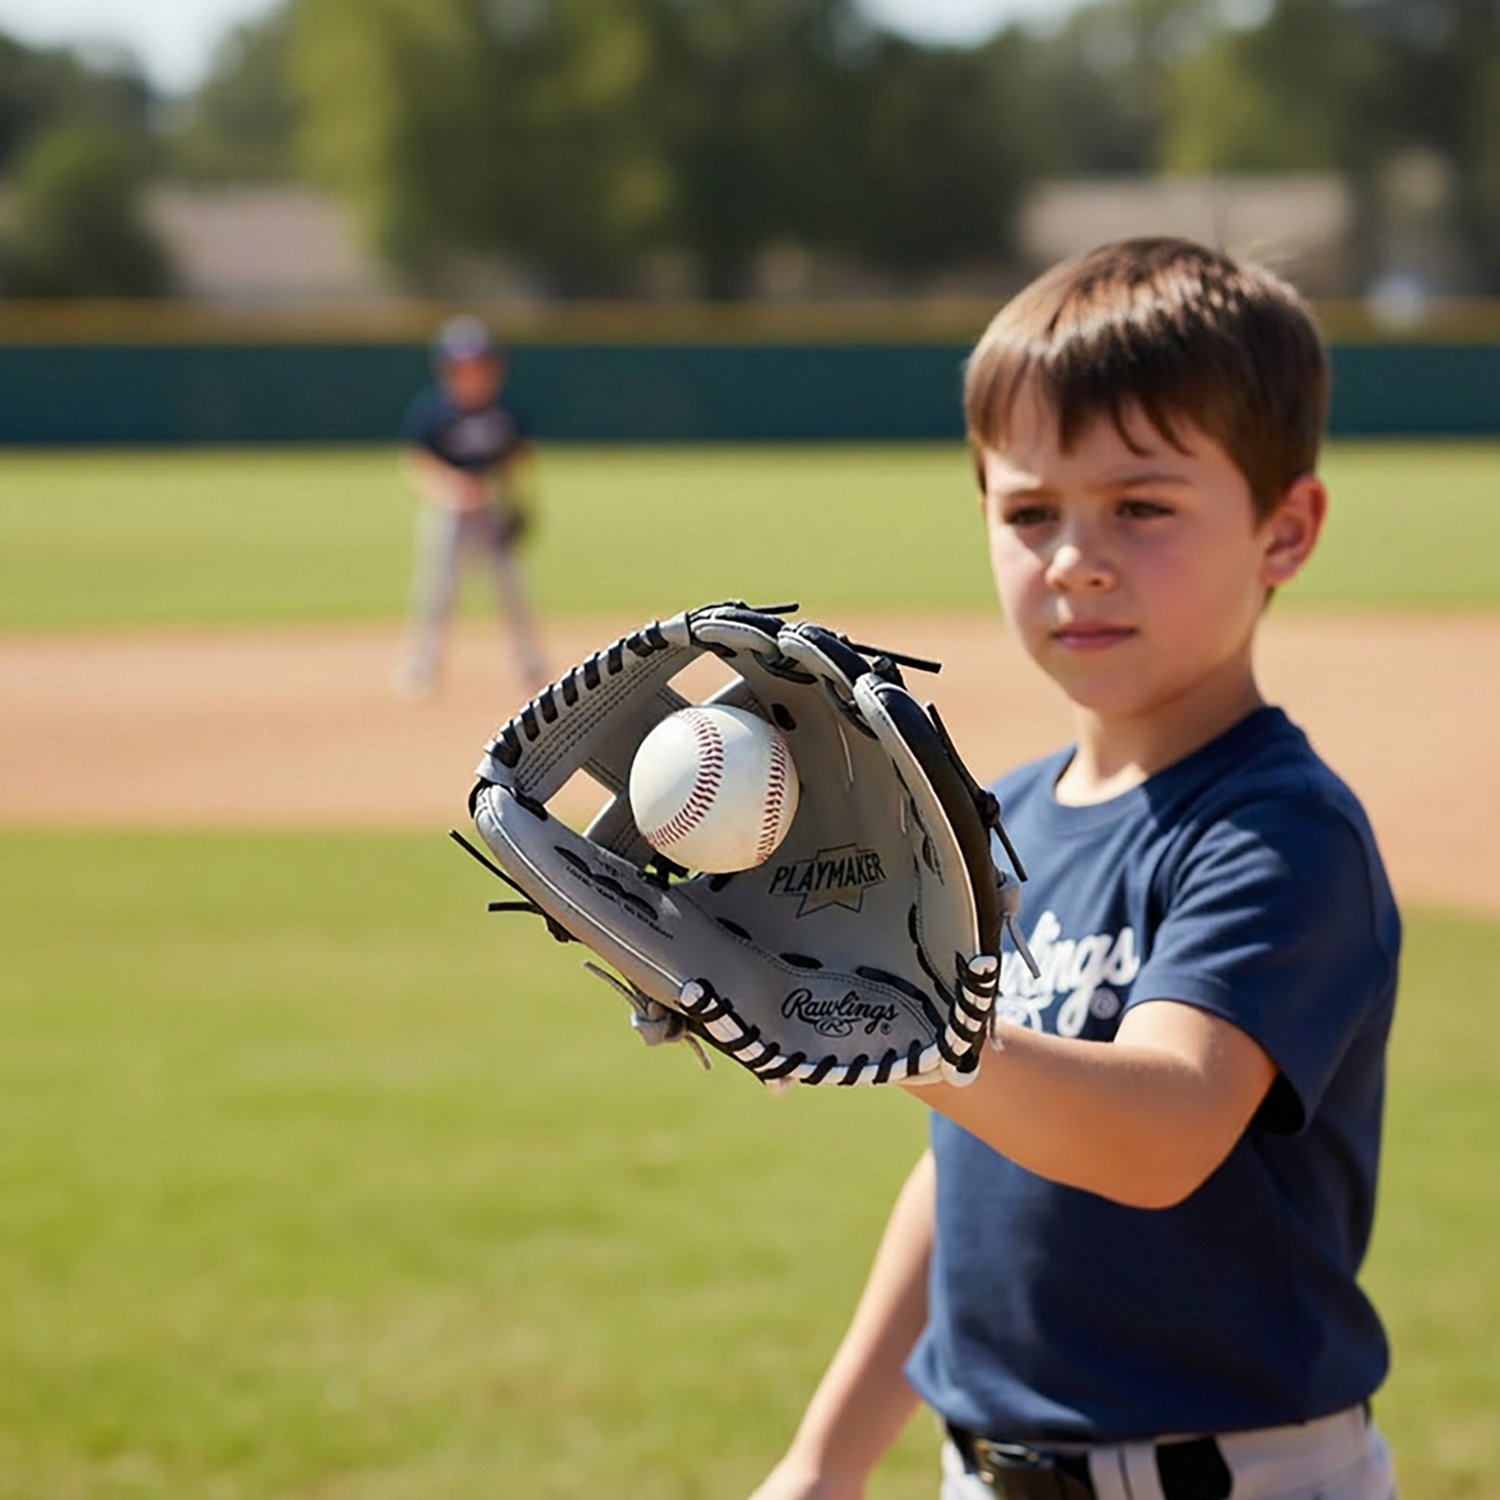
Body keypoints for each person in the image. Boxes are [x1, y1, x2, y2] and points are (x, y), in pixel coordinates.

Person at [751, 238, 1401, 1500]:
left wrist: (901, 1025)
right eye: (1030, 512)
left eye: (1141, 507)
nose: (1075, 560)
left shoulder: (1277, 833)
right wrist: (824, 1461)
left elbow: (1160, 1133)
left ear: (1285, 529)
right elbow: (972, 1175)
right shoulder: (994, 825)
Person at [394, 315, 548, 698]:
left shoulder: (505, 411)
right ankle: (422, 666)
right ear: (447, 369)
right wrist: (451, 486)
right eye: (463, 366)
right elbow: (416, 459)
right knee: (437, 590)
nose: (472, 373)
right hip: (450, 512)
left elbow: (520, 455)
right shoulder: (434, 409)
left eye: (480, 365)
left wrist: (515, 499)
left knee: (511, 588)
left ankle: (530, 665)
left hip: (492, 510)